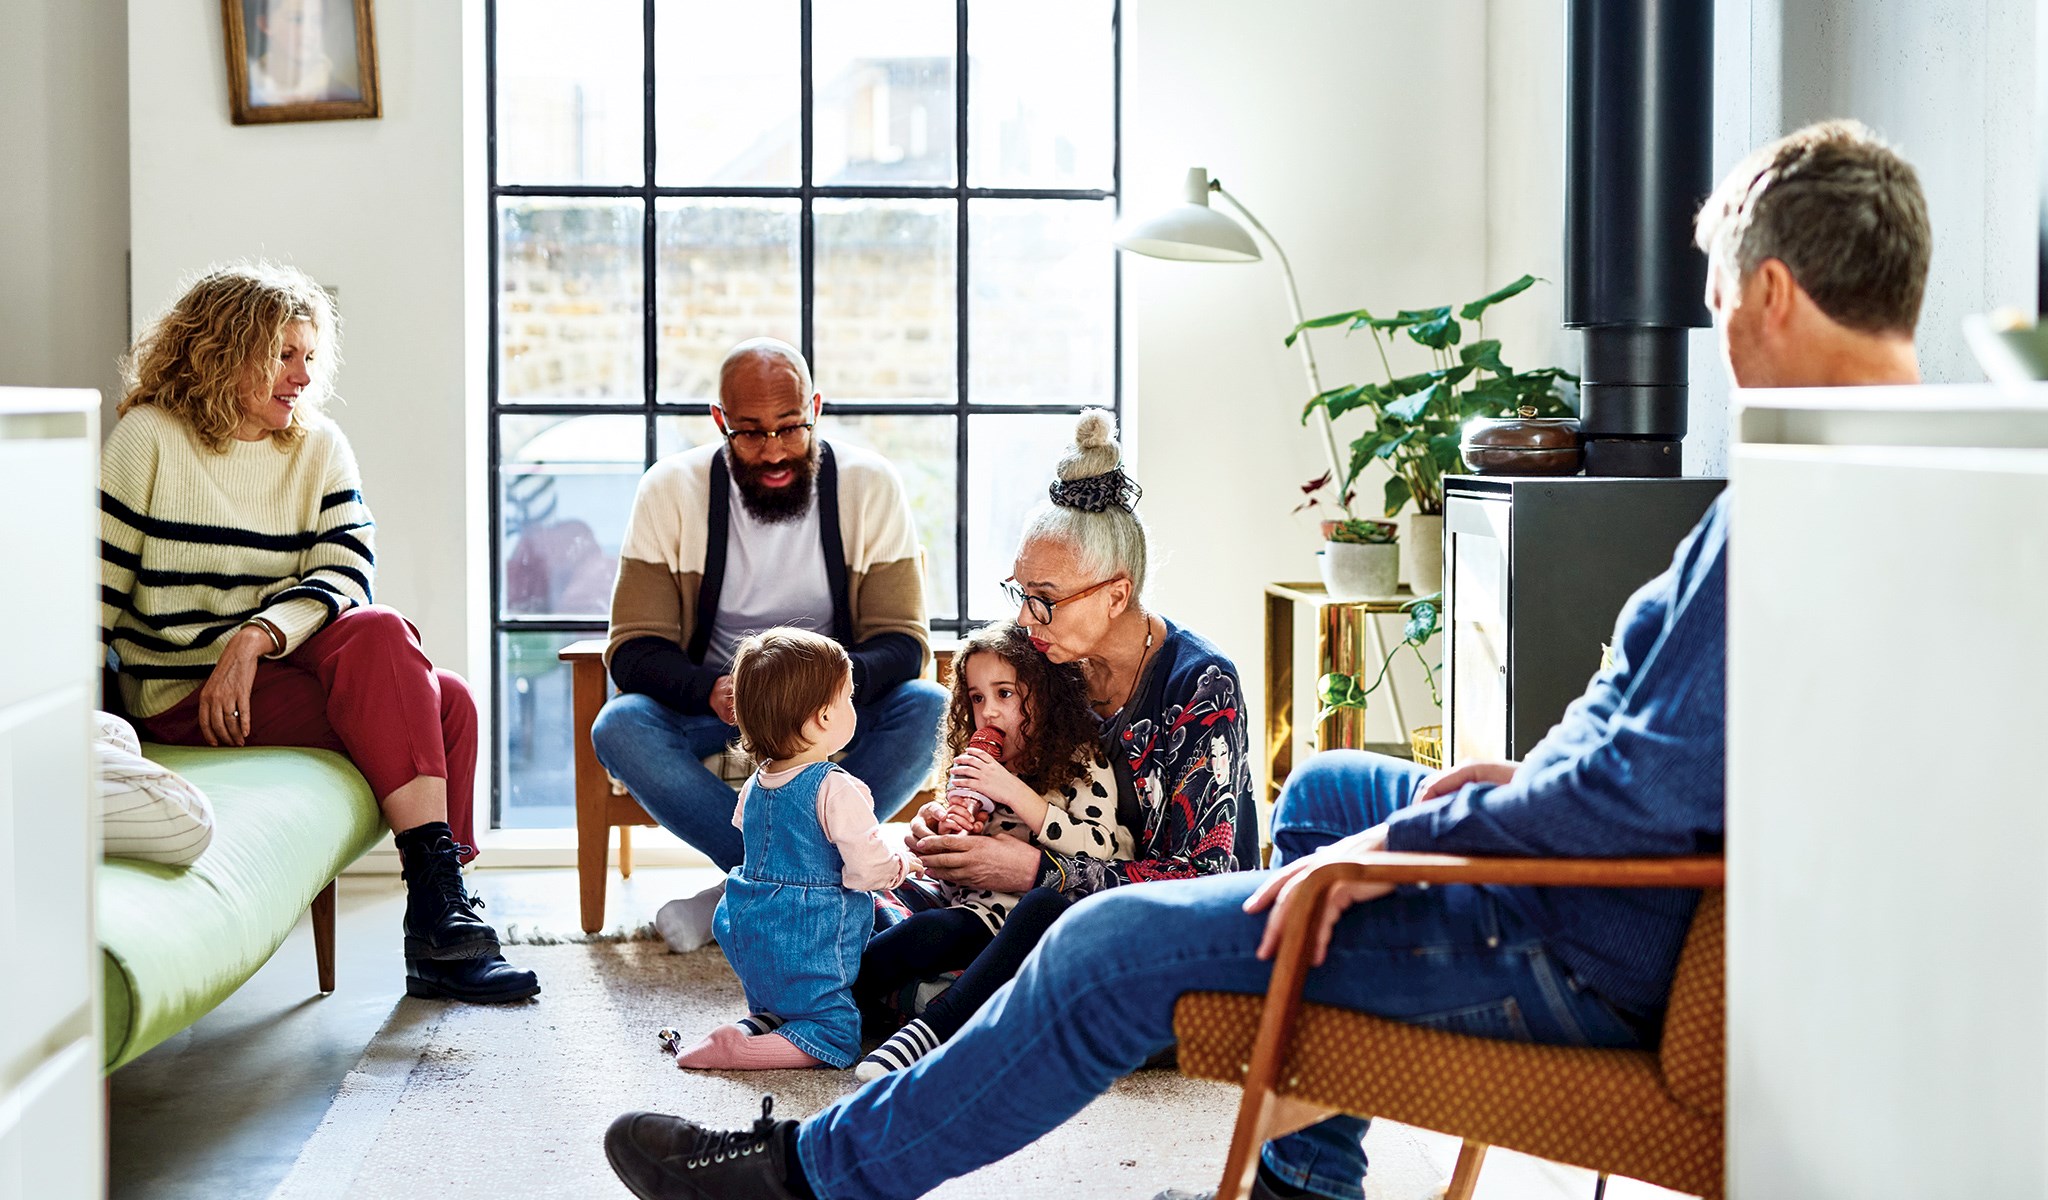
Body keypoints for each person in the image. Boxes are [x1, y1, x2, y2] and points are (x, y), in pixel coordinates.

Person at [597, 119, 1929, 1200]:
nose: (1723, 338)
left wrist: (1442, 831)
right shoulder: (1891, 479)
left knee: (1110, 942)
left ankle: (815, 1177)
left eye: (1718, 305)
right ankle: (1310, 1183)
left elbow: (1634, 798)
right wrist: (1490, 781)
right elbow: (1668, 762)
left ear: (1772, 291)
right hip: (1605, 882)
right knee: (1334, 792)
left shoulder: (1789, 511)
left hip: (1565, 928)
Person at [101, 262, 536, 1005]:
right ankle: (444, 932)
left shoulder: (318, 446)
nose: (303, 377)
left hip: (274, 668)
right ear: (223, 352)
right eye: (283, 355)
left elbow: (346, 573)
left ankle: (442, 917)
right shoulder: (148, 439)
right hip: (186, 692)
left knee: (385, 636)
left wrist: (256, 638)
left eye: (310, 356)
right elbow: (94, 585)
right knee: (448, 704)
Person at [590, 338, 948, 950]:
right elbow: (631, 648)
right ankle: (803, 881)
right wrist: (711, 690)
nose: (775, 451)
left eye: (790, 427)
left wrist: (820, 689)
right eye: (750, 433)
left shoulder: (869, 485)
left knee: (928, 708)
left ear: (816, 407)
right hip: (718, 708)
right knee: (619, 724)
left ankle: (739, 893)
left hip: (829, 709)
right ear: (719, 420)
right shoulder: (669, 491)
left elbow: (905, 643)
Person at [850, 621, 1129, 1081]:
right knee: (883, 906)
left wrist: (1020, 796)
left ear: (1043, 695)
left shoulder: (1082, 763)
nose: (989, 712)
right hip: (965, 904)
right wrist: (938, 829)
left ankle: (931, 1029)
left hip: (1019, 920)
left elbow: (1108, 848)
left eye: (1005, 694)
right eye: (977, 698)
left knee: (1002, 916)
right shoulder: (981, 764)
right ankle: (816, 1009)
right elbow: (950, 853)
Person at [669, 629, 920, 1071]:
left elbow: (762, 847)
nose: (851, 707)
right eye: (848, 697)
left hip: (750, 925)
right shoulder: (834, 787)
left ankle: (752, 1025)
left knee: (782, 1005)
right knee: (837, 1031)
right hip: (810, 934)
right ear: (824, 716)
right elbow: (865, 869)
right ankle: (742, 1050)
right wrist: (901, 866)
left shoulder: (756, 783)